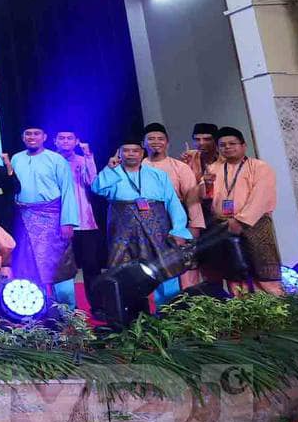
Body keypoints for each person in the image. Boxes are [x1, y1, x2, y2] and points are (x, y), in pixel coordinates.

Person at [92, 137, 194, 303]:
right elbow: (97, 189)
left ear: (142, 153)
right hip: (123, 233)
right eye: (126, 151)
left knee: (165, 268)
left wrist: (179, 229)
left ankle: (169, 313)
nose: (131, 154)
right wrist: (110, 169)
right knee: (125, 274)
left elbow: (172, 202)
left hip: (157, 229)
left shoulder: (158, 174)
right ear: (119, 153)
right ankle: (134, 315)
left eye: (135, 151)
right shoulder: (113, 174)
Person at [205, 127, 282, 294]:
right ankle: (243, 308)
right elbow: (204, 196)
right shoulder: (214, 168)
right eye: (222, 145)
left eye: (232, 143)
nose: (227, 147)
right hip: (223, 226)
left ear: (243, 145)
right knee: (235, 274)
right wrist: (207, 185)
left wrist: (240, 221)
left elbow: (261, 197)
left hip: (254, 225)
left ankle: (276, 307)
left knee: (264, 273)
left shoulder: (260, 167)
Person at [11, 126, 79, 296]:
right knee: (28, 264)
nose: (32, 137)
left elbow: (68, 191)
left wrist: (67, 222)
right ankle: (37, 306)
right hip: (24, 218)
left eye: (36, 134)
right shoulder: (16, 159)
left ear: (44, 137)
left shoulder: (56, 159)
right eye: (28, 134)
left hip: (52, 218)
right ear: (23, 137)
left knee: (59, 263)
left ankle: (67, 308)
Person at [143, 122, 205, 292]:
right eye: (151, 139)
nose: (156, 142)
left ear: (167, 142)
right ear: (143, 143)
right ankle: (164, 307)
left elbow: (192, 199)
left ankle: (189, 306)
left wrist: (194, 226)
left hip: (177, 221)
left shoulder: (180, 167)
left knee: (186, 271)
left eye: (160, 138)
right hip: (148, 224)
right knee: (157, 270)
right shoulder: (138, 167)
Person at [53, 130, 101, 286]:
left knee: (91, 264)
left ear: (76, 141)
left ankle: (96, 301)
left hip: (84, 220)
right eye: (61, 138)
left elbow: (92, 182)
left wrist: (88, 155)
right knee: (62, 266)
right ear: (55, 141)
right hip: (58, 221)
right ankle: (65, 301)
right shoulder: (49, 161)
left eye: (69, 138)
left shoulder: (83, 160)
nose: (65, 141)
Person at [185, 122, 221, 229]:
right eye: (197, 139)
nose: (201, 143)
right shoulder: (190, 157)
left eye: (207, 139)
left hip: (221, 209)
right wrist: (183, 166)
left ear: (216, 140)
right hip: (197, 208)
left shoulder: (225, 159)